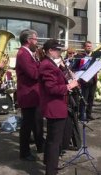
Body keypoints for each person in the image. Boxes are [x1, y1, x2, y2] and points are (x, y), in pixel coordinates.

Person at [39, 39, 79, 175]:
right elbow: (51, 88)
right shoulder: (46, 65)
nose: (60, 53)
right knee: (54, 142)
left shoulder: (51, 64)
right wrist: (68, 86)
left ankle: (48, 162)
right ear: (50, 50)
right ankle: (51, 171)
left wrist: (65, 70)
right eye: (58, 50)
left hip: (57, 106)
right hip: (54, 107)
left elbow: (58, 80)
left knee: (53, 139)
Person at [16, 29, 44, 161]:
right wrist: (45, 67)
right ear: (28, 40)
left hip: (33, 94)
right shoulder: (23, 54)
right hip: (27, 95)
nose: (37, 42)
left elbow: (35, 69)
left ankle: (40, 145)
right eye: (36, 39)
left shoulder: (30, 53)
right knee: (27, 125)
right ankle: (24, 152)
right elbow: (33, 74)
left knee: (37, 122)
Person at [77, 41, 96, 121]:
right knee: (84, 98)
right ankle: (82, 115)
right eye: (88, 46)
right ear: (84, 47)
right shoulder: (81, 56)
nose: (89, 47)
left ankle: (89, 114)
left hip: (93, 79)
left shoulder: (94, 56)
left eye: (90, 46)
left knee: (91, 98)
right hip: (85, 80)